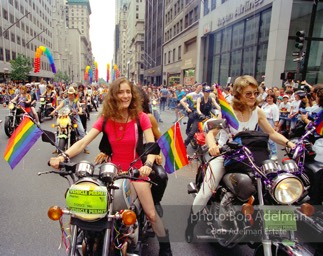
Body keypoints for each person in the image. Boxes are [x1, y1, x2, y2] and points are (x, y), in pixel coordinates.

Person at [49, 77, 172, 256]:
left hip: (135, 171)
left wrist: (147, 164)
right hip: (111, 172)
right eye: (121, 92)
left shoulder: (142, 117)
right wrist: (63, 156)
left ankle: (166, 247)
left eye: (128, 92)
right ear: (114, 95)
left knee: (152, 214)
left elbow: (151, 146)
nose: (125, 95)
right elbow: (83, 142)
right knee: (97, 210)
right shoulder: (106, 119)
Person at [185, 75, 296, 242]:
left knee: (272, 184)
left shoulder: (258, 112)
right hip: (226, 155)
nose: (253, 97)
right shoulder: (228, 111)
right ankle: (191, 223)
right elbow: (211, 133)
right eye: (248, 93)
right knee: (205, 192)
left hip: (250, 157)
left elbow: (272, 133)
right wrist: (213, 146)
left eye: (255, 93)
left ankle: (277, 231)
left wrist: (289, 143)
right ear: (238, 94)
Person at [95, 87, 168, 217]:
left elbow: (158, 138)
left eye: (129, 96)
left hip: (145, 154)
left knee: (161, 175)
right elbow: (112, 138)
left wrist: (158, 154)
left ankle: (155, 201)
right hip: (123, 157)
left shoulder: (147, 117)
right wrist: (105, 152)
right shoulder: (115, 118)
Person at [50, 87, 89, 154]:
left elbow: (79, 107)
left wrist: (80, 111)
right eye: (69, 94)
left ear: (74, 94)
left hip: (74, 117)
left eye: (71, 94)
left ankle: (85, 148)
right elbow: (59, 106)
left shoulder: (76, 101)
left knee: (81, 131)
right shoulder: (65, 101)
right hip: (65, 118)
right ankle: (57, 148)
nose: (70, 95)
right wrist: (53, 112)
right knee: (58, 129)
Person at [261, 93, 280, 160]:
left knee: (271, 139)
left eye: (271, 98)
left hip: (270, 122)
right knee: (263, 138)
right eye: (268, 98)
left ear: (273, 99)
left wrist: (275, 126)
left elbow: (276, 117)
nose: (269, 99)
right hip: (262, 121)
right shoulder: (264, 105)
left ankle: (274, 154)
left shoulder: (275, 107)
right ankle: (265, 153)